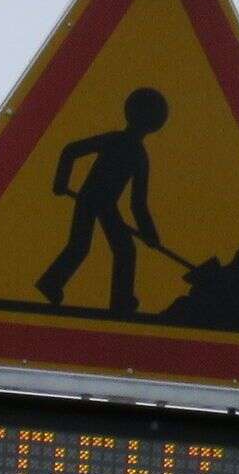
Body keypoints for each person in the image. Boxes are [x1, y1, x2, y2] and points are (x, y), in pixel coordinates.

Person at [36, 86, 170, 315]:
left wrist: (150, 234)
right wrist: (60, 182)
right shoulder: (131, 150)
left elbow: (137, 202)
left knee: (107, 248)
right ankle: (115, 300)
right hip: (91, 200)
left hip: (102, 203)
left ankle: (116, 299)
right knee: (100, 248)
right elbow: (71, 150)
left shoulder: (131, 150)